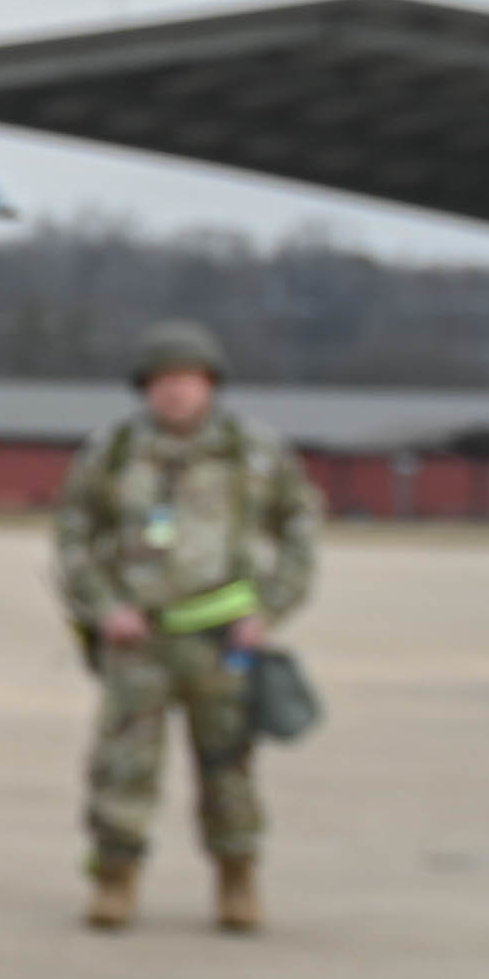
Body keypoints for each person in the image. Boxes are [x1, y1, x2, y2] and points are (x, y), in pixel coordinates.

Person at [51, 322, 319, 933]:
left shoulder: (253, 454)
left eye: (187, 380)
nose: (175, 392)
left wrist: (269, 609)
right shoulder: (113, 452)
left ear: (210, 385)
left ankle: (237, 877)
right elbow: (74, 533)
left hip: (223, 641)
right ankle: (116, 878)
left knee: (228, 766)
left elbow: (301, 530)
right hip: (138, 639)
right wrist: (103, 606)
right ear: (145, 388)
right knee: (123, 765)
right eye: (162, 381)